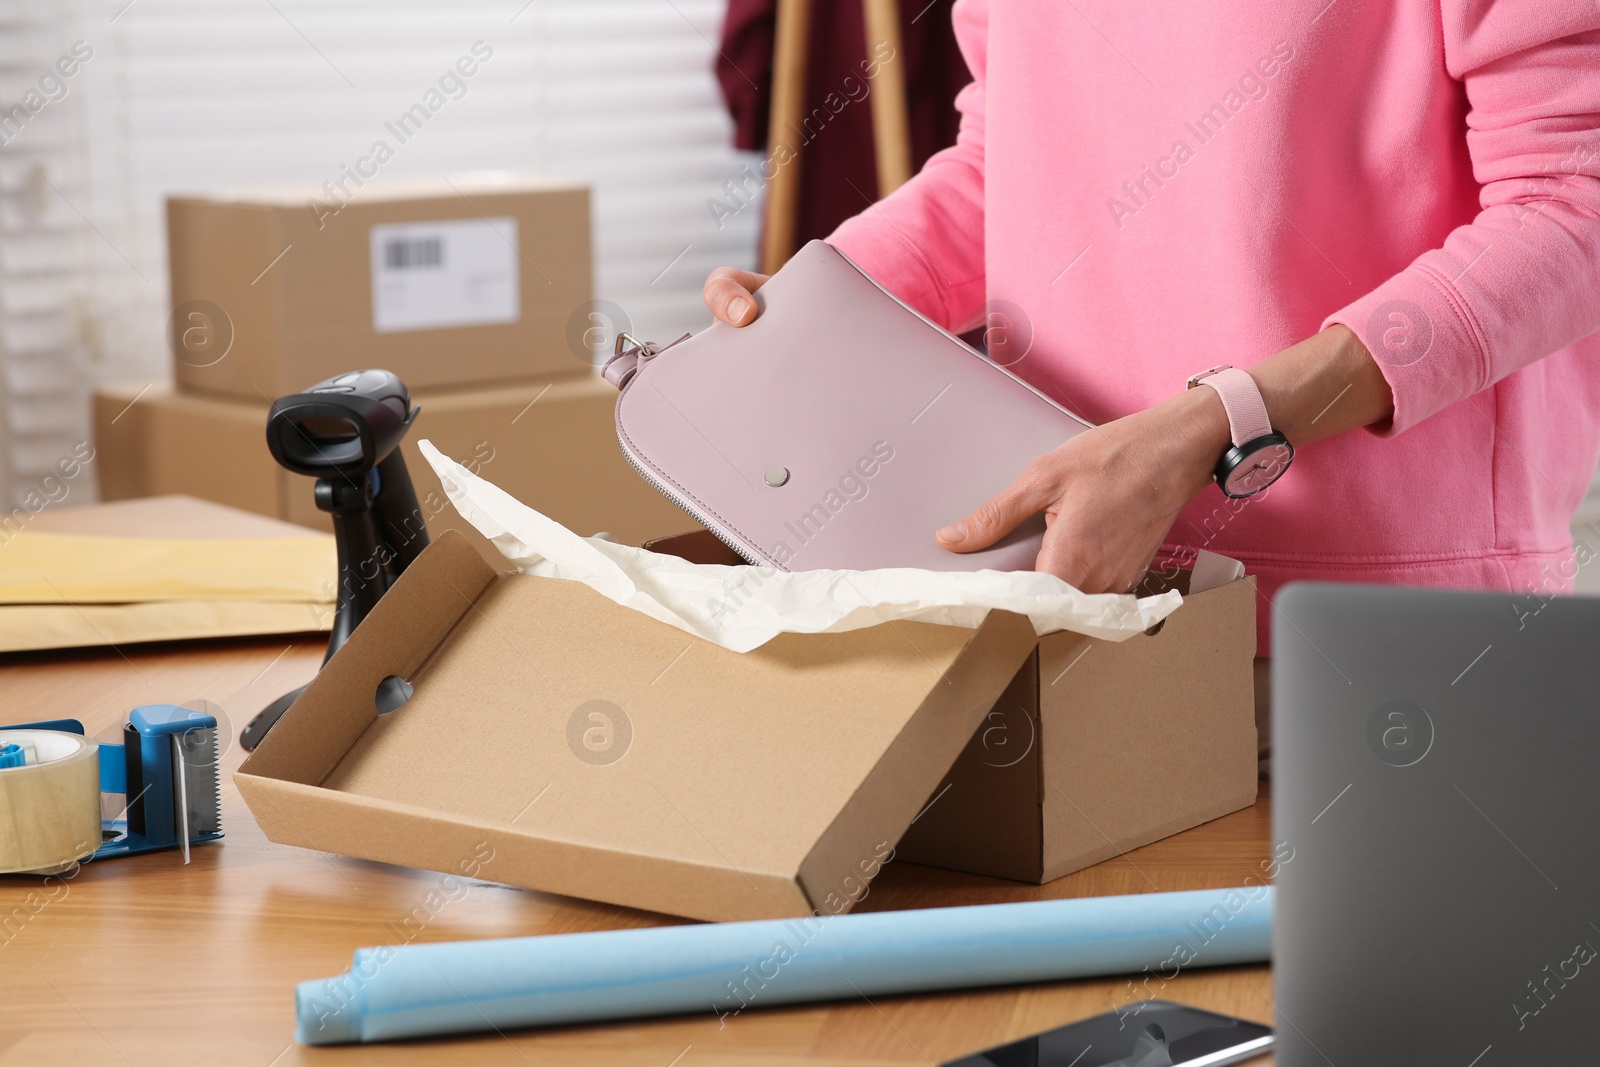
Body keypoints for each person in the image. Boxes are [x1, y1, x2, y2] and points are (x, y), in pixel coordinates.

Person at [703, 0, 1600, 763]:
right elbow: (1006, 163)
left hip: (1381, 644)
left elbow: (1572, 203)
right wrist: (819, 300)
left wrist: (1216, 425)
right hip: (1075, 607)